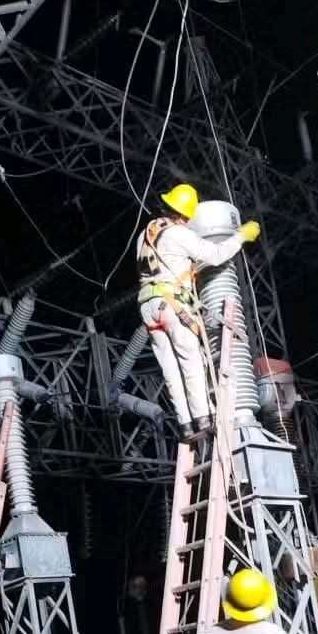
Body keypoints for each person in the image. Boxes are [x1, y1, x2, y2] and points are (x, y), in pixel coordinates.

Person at [136, 182, 260, 442]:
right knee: (191, 362)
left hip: (149, 307)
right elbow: (215, 255)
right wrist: (240, 236)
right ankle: (204, 419)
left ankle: (186, 425)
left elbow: (169, 265)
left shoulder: (146, 235)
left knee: (170, 370)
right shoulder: (178, 234)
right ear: (183, 215)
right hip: (172, 306)